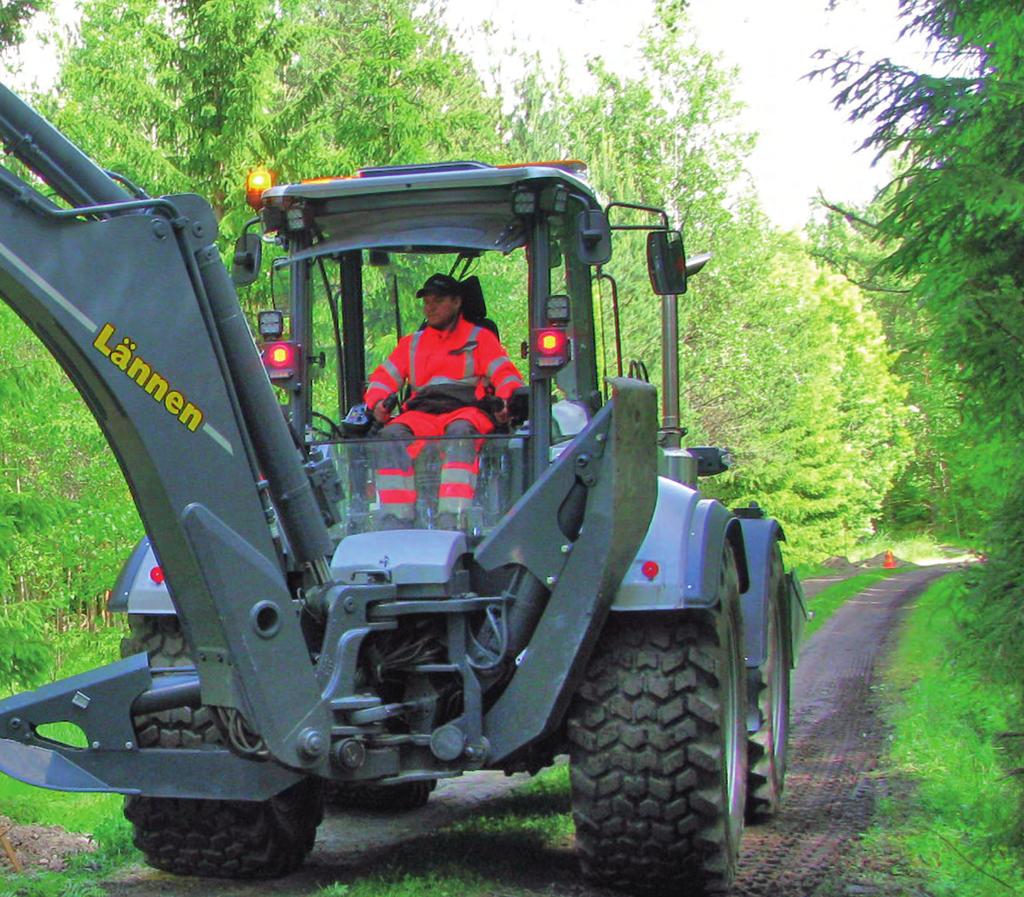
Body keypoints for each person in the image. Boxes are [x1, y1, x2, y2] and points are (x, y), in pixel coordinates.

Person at [363, 273, 525, 529]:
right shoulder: (412, 344)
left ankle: (452, 518)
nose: (430, 307)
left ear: (457, 302)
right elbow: (383, 379)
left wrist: (506, 403)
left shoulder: (479, 338)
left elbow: (506, 376)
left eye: (437, 301)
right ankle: (396, 521)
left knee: (460, 433)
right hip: (422, 415)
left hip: (467, 411)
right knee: (391, 435)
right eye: (427, 302)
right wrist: (378, 403)